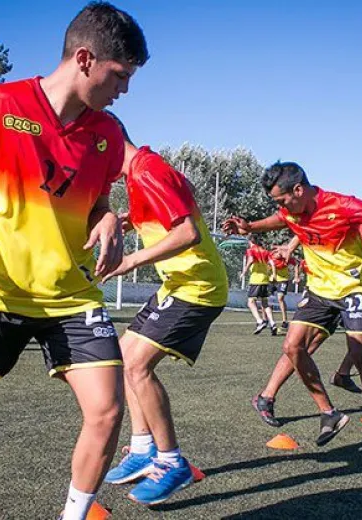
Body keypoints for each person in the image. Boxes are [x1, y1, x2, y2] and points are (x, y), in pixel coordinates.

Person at [0, 3, 148, 519]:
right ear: (85, 59)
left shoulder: (109, 134)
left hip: (71, 297)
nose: (124, 89)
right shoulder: (0, 104)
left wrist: (106, 220)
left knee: (107, 412)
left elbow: (97, 203)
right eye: (119, 75)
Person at [222, 162, 362, 459]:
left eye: (282, 199)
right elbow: (280, 219)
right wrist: (250, 227)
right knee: (292, 346)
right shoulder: (291, 210)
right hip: (319, 290)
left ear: (298, 190)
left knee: (358, 352)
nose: (280, 207)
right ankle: (328, 413)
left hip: (353, 288)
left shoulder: (343, 205)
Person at [98, 116, 228, 505]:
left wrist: (130, 261)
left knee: (137, 366)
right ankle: (143, 450)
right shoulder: (142, 172)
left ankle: (172, 462)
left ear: (107, 142)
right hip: (179, 285)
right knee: (124, 358)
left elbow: (187, 232)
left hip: (198, 288)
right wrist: (131, 220)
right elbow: (182, 196)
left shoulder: (148, 170)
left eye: (90, 147)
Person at [264, 187, 362, 398]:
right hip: (341, 290)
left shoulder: (348, 214)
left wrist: (290, 246)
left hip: (330, 285)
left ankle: (342, 373)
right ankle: (268, 395)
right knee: (305, 346)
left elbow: (310, 227)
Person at [243, 238, 277, 335]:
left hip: (256, 280)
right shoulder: (265, 251)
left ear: (250, 241)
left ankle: (260, 321)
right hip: (265, 279)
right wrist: (274, 275)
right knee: (265, 303)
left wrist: (244, 271)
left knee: (250, 302)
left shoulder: (251, 250)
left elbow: (251, 260)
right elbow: (272, 263)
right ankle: (272, 323)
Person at [270, 253, 298, 328]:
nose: (278, 253)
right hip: (272, 280)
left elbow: (296, 264)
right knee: (268, 299)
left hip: (283, 280)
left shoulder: (286, 258)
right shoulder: (270, 256)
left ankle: (284, 321)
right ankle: (268, 320)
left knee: (280, 298)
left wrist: (296, 276)